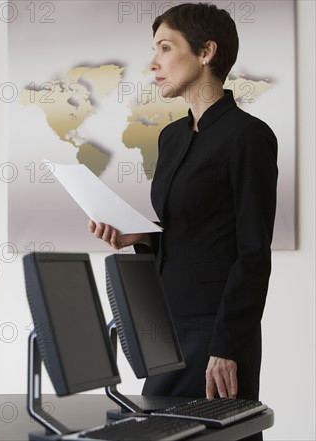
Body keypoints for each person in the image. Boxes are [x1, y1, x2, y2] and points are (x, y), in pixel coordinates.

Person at [89, 4, 277, 438]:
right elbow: (188, 232)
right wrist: (141, 236)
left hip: (218, 334)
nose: (153, 63)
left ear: (206, 52)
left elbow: (253, 252)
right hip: (165, 329)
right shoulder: (170, 137)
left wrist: (228, 347)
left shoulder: (248, 137)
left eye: (165, 48)